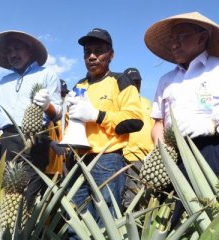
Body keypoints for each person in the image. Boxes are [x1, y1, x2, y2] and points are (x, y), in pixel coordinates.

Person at [145, 11, 219, 175]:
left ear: (202, 37)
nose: (174, 45)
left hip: (218, 151)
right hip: (176, 155)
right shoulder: (166, 80)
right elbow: (159, 123)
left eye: (181, 37)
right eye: (172, 39)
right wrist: (160, 149)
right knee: (178, 201)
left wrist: (214, 126)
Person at [66, 28, 143, 234]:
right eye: (87, 51)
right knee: (78, 219)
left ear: (111, 55)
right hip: (77, 160)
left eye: (98, 51)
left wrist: (97, 116)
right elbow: (70, 122)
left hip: (106, 161)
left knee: (106, 220)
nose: (92, 56)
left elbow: (134, 120)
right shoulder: (78, 85)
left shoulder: (120, 81)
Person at [0, 30, 62, 210]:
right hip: (7, 139)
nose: (13, 54)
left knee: (28, 194)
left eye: (17, 48)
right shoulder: (4, 81)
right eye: (9, 51)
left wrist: (47, 105)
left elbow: (57, 112)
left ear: (30, 50)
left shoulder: (46, 74)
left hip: (34, 139)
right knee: (3, 192)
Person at [121, 67, 154, 209]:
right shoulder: (121, 103)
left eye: (137, 82)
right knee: (130, 198)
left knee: (148, 197)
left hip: (149, 158)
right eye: (131, 82)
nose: (135, 85)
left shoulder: (147, 103)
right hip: (129, 158)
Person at [45, 79, 70, 177]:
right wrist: (51, 143)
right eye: (60, 94)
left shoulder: (64, 116)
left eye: (63, 94)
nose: (62, 97)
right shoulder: (43, 114)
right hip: (46, 167)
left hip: (58, 169)